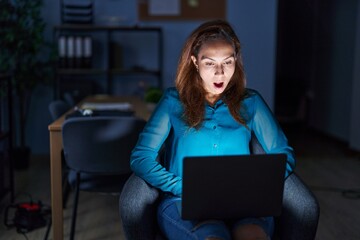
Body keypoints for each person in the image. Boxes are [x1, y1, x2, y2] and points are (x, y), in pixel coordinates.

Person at [130, 19, 296, 240]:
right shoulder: (172, 101)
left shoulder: (252, 102)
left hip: (243, 203)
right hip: (183, 202)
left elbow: (284, 154)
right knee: (213, 237)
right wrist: (183, 187)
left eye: (227, 62)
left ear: (236, 61)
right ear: (195, 62)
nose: (220, 73)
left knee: (253, 236)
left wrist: (256, 187)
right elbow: (141, 157)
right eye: (210, 63)